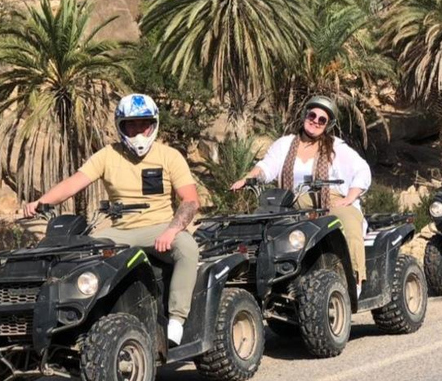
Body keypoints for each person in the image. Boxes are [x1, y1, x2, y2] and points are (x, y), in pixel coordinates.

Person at [23, 93, 199, 345]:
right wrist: (41, 202)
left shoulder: (169, 156)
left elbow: (191, 200)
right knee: (79, 253)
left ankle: (176, 320)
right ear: (121, 126)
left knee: (188, 249)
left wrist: (172, 231)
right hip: (119, 231)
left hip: (160, 227)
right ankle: (73, 319)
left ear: (153, 125)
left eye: (143, 124)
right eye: (131, 125)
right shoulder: (107, 155)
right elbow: (75, 182)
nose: (138, 131)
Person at [231, 96, 371, 293]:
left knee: (349, 221)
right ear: (305, 115)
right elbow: (266, 167)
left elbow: (362, 170)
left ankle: (354, 279)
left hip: (328, 200)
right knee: (257, 225)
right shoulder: (285, 144)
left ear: (328, 125)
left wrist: (350, 198)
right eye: (312, 115)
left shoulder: (336, 147)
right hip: (290, 202)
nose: (315, 121)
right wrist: (248, 178)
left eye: (322, 119)